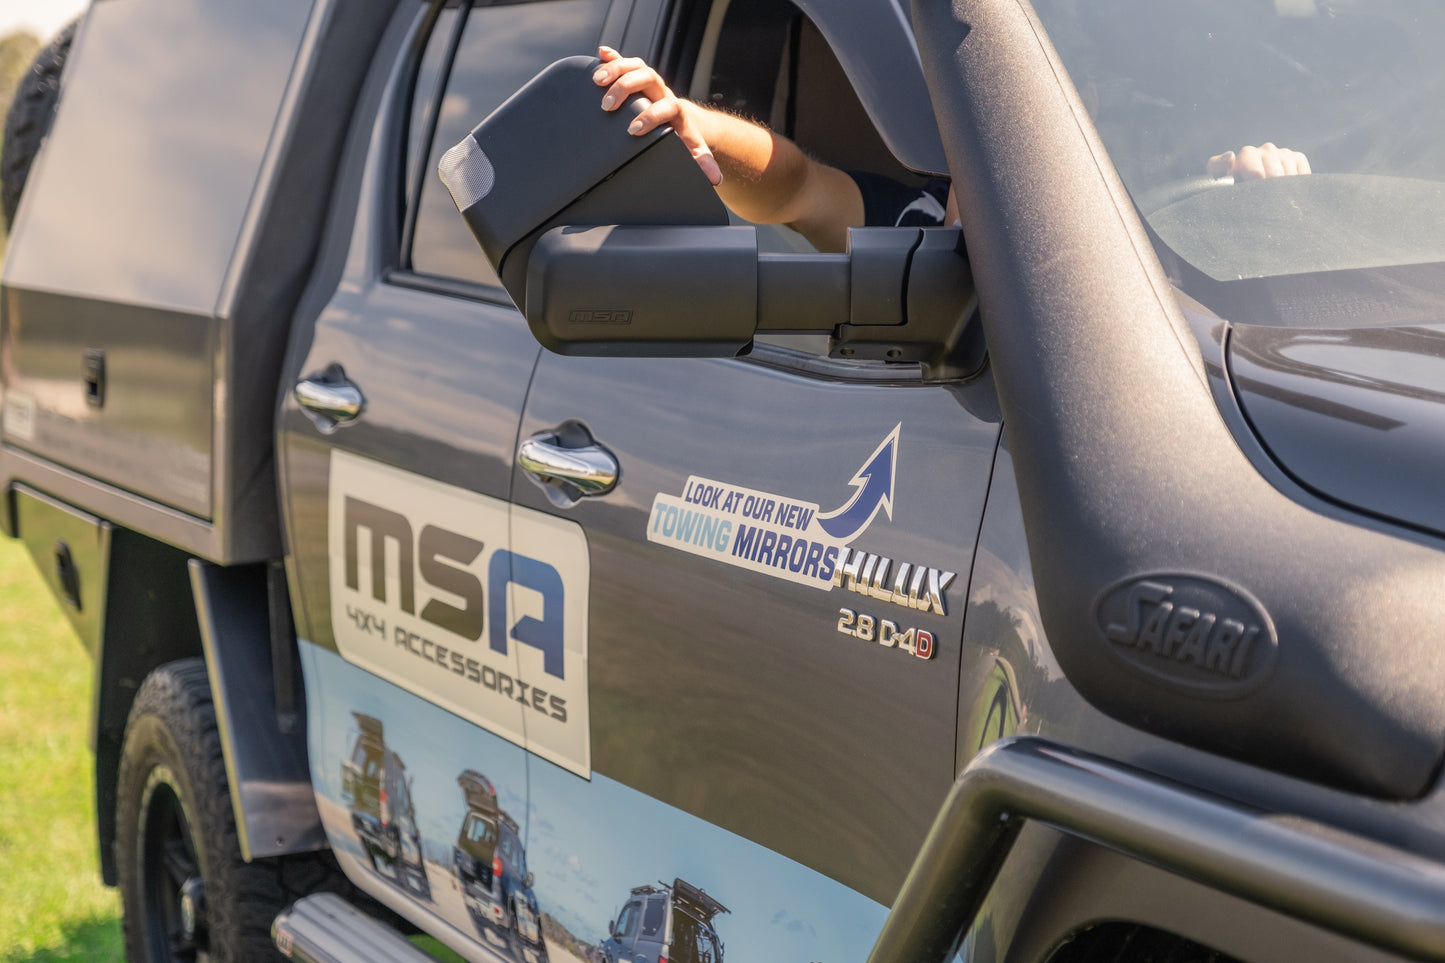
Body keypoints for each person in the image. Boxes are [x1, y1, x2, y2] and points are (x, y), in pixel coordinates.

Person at [590, 45, 1311, 253]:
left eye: (1027, 77)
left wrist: (1270, 210)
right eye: (973, 77)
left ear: (1080, 103)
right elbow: (792, 188)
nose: (995, 100)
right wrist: (689, 122)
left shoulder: (1132, 236)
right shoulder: (910, 221)